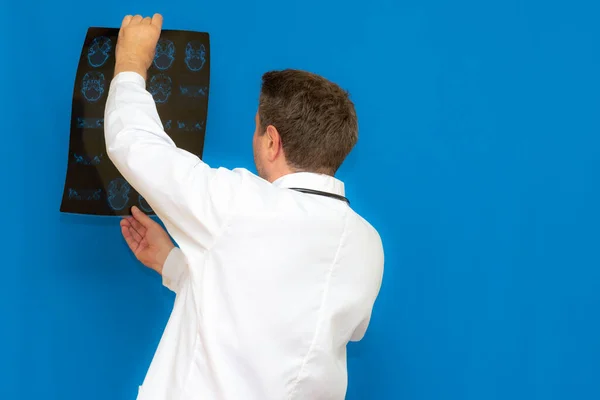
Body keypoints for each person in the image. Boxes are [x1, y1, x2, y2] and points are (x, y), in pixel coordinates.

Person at [105, 13, 384, 400]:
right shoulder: (368, 244)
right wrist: (172, 263)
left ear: (272, 141)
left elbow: (134, 143)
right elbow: (277, 318)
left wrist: (131, 62)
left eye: (256, 127)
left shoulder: (240, 205)